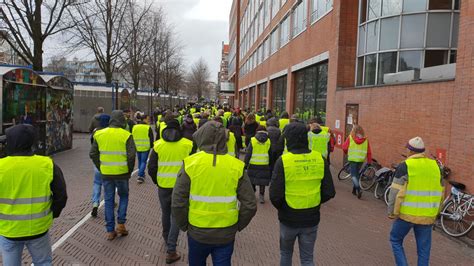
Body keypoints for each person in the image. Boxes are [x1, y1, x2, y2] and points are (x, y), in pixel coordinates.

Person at [172, 121, 257, 266]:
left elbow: (178, 201)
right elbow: (250, 204)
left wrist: (184, 225)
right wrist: (237, 226)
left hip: (197, 230)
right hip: (225, 232)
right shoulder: (236, 166)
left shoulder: (190, 164)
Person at [0, 124, 68, 265]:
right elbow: (61, 195)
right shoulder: (47, 164)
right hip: (38, 228)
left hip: (9, 230)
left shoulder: (1, 166)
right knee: (43, 262)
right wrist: (51, 214)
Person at [270, 122, 335, 266]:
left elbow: (275, 194)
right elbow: (329, 191)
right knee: (307, 258)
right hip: (311, 217)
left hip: (288, 217)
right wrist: (315, 201)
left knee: (286, 254)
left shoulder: (284, 161)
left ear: (289, 139)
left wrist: (283, 207)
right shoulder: (320, 159)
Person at [387, 137, 444, 266]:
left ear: (411, 151)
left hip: (406, 216)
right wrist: (436, 213)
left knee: (395, 240)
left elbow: (395, 192)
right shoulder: (435, 166)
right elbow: (441, 193)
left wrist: (392, 212)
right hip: (427, 217)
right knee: (424, 250)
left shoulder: (405, 165)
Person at [148, 119, 193, 264]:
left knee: (165, 213)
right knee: (176, 216)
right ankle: (171, 249)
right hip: (180, 187)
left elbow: (152, 167)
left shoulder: (158, 145)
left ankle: (167, 239)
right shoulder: (188, 145)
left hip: (163, 186)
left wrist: (157, 181)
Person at [90, 110, 136, 240]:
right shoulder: (126, 135)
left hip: (106, 173)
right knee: (124, 196)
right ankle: (121, 224)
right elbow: (131, 155)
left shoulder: (99, 134)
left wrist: (101, 166)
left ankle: (110, 230)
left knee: (109, 200)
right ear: (122, 121)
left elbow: (93, 153)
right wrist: (129, 170)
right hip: (122, 173)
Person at [89, 107, 110, 217]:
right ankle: (109, 203)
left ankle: (95, 203)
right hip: (108, 164)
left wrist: (97, 163)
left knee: (97, 183)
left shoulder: (95, 133)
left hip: (98, 164)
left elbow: (92, 150)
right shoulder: (110, 134)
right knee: (108, 185)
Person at [342, 125, 372, 199]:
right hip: (360, 160)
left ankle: (358, 189)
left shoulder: (350, 138)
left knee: (353, 175)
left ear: (353, 131)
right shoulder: (366, 140)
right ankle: (354, 190)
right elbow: (369, 152)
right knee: (357, 174)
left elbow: (344, 147)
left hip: (353, 159)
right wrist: (369, 161)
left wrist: (346, 152)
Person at [245, 126, 271, 204]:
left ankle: (253, 195)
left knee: (252, 179)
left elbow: (248, 153)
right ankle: (261, 196)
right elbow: (271, 153)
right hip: (264, 163)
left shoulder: (253, 140)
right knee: (262, 181)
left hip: (253, 163)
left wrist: (246, 163)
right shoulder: (268, 141)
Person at [132, 114, 154, 183]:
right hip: (145, 147)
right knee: (143, 162)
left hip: (137, 146)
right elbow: (151, 137)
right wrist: (151, 146)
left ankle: (141, 173)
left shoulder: (134, 127)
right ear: (144, 119)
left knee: (140, 161)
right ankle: (140, 175)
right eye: (147, 119)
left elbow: (132, 136)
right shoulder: (147, 127)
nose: (148, 120)